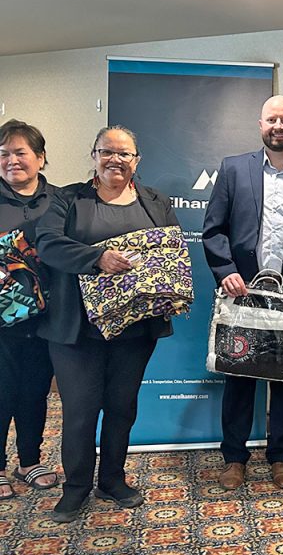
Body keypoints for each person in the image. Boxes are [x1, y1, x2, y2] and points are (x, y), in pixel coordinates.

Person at [36, 125, 180, 522]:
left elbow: (171, 252)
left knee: (122, 407)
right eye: (107, 151)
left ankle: (112, 480)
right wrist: (98, 258)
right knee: (81, 410)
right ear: (94, 155)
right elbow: (48, 245)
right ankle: (76, 487)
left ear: (137, 161)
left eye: (125, 153)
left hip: (134, 329)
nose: (115, 159)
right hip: (77, 330)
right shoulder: (66, 199)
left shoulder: (155, 202)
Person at [203, 95, 283, 490]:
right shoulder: (233, 169)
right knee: (239, 376)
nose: (279, 126)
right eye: (272, 119)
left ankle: (282, 457)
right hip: (242, 294)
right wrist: (225, 272)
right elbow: (213, 230)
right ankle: (234, 458)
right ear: (260, 125)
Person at [0, 120, 58, 500]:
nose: (11, 161)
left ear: (40, 157)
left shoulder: (60, 200)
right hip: (0, 320)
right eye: (4, 154)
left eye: (20, 152)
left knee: (35, 390)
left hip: (49, 317)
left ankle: (29, 460)